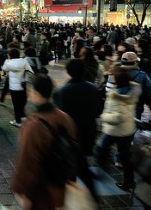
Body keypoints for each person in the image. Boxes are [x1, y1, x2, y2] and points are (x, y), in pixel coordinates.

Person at [12, 74, 78, 209]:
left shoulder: (33, 124)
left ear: (35, 92)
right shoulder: (65, 118)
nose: (28, 94)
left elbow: (27, 162)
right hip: (60, 186)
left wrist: (22, 192)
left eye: (29, 90)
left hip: (41, 192)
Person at [53, 59, 98, 200]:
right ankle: (90, 194)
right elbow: (98, 111)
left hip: (71, 136)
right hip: (89, 132)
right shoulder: (93, 88)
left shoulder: (63, 91)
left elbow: (59, 117)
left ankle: (73, 197)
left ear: (68, 72)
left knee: (74, 166)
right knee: (81, 164)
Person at [95, 66, 140, 191]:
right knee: (124, 156)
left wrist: (104, 116)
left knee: (101, 148)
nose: (111, 77)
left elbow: (118, 117)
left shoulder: (118, 95)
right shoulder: (130, 89)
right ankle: (129, 181)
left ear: (117, 78)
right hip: (127, 129)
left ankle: (102, 171)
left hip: (115, 130)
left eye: (113, 75)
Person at [2, 48, 32, 128]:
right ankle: (23, 118)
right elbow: (30, 71)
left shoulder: (8, 63)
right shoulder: (24, 61)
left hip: (14, 88)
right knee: (21, 104)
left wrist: (7, 60)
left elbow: (4, 68)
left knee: (16, 105)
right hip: (23, 86)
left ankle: (18, 121)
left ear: (10, 55)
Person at [120, 51, 151, 119]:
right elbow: (150, 92)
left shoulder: (114, 73)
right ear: (135, 63)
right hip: (135, 109)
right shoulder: (143, 75)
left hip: (117, 108)